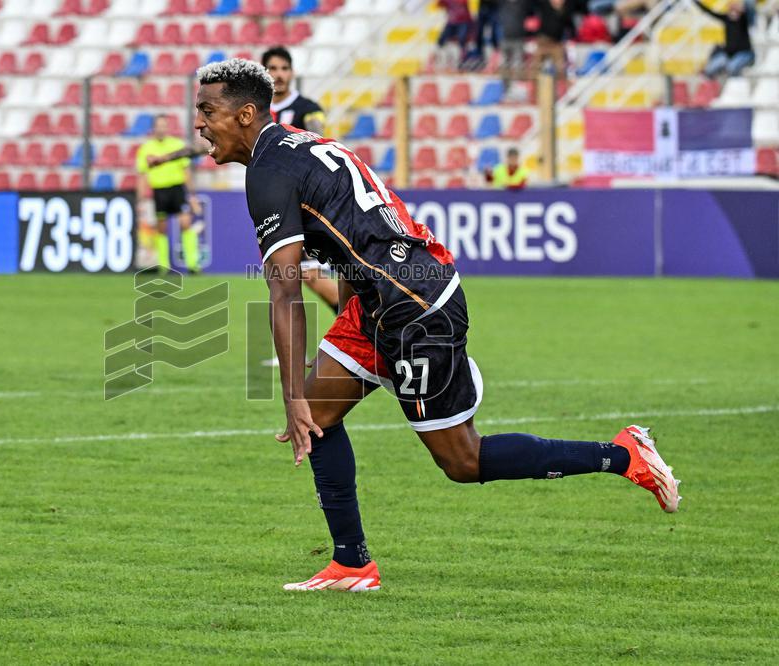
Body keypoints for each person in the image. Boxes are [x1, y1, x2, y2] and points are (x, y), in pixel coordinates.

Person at [194, 59, 681, 592]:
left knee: (461, 461)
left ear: (244, 114)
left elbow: (285, 289)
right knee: (320, 413)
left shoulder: (268, 172)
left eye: (207, 110)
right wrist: (351, 323)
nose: (198, 123)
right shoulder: (302, 143)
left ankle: (622, 454)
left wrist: (288, 394)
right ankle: (352, 565)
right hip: (385, 300)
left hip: (417, 309)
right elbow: (354, 236)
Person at [261, 45, 338, 313]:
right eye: (273, 68)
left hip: (302, 203)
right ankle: (289, 350)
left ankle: (363, 326)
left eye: (284, 68)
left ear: (292, 72)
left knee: (308, 274)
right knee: (277, 274)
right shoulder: (255, 112)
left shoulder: (307, 108)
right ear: (264, 72)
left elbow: (320, 137)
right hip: (271, 203)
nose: (279, 74)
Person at [135, 114, 203, 274]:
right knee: (161, 228)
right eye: (159, 125)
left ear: (167, 127)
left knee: (185, 223)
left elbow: (186, 171)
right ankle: (163, 265)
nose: (161, 128)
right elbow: (142, 175)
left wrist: (192, 194)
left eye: (164, 125)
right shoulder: (146, 148)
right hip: (159, 191)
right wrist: (140, 200)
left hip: (177, 189)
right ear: (153, 128)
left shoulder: (176, 145)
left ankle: (193, 264)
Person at [694, 0, 754, 78]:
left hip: (744, 53)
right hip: (729, 55)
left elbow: (749, 8)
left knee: (731, 67)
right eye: (731, 9)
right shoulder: (726, 19)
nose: (733, 12)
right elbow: (710, 12)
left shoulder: (743, 20)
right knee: (710, 68)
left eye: (735, 9)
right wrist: (696, 2)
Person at [530, 0, 574, 79]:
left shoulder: (566, 10)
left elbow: (570, 26)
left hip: (557, 44)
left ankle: (561, 89)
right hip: (543, 42)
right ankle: (534, 89)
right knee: (535, 69)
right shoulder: (545, 6)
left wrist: (570, 39)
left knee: (560, 70)